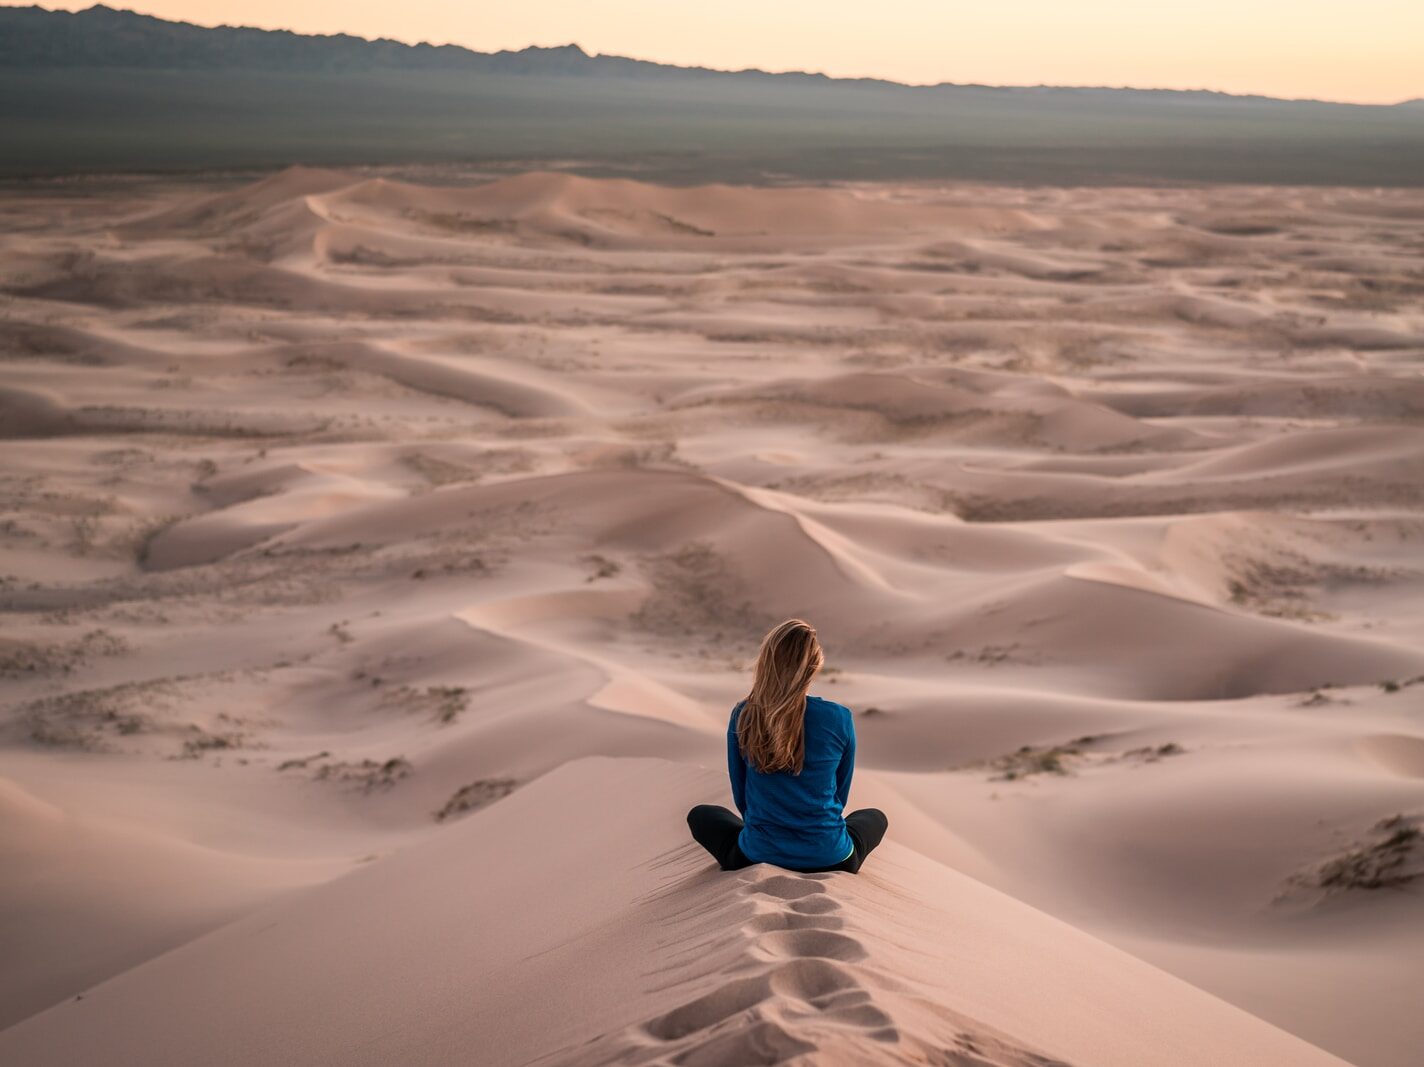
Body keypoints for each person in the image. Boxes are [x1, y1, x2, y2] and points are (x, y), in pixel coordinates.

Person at [687, 618, 888, 874]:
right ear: (814, 666)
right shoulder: (839, 717)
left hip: (756, 853)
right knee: (874, 817)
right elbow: (840, 794)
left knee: (702, 815)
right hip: (831, 856)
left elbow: (742, 797)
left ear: (765, 662)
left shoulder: (745, 714)